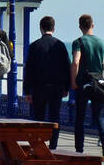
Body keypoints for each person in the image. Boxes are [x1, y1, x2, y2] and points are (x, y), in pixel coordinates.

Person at [23, 16, 71, 145]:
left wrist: (27, 91)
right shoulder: (60, 45)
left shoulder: (34, 46)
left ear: (41, 28)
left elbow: (29, 70)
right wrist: (67, 87)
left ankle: (38, 144)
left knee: (38, 117)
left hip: (38, 88)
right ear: (53, 28)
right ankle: (53, 144)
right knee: (55, 117)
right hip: (56, 88)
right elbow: (67, 67)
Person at [69, 14, 104, 159]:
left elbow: (75, 62)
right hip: (98, 83)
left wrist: (73, 81)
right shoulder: (102, 43)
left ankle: (79, 149)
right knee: (99, 116)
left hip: (83, 84)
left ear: (80, 26)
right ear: (93, 25)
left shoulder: (78, 42)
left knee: (80, 116)